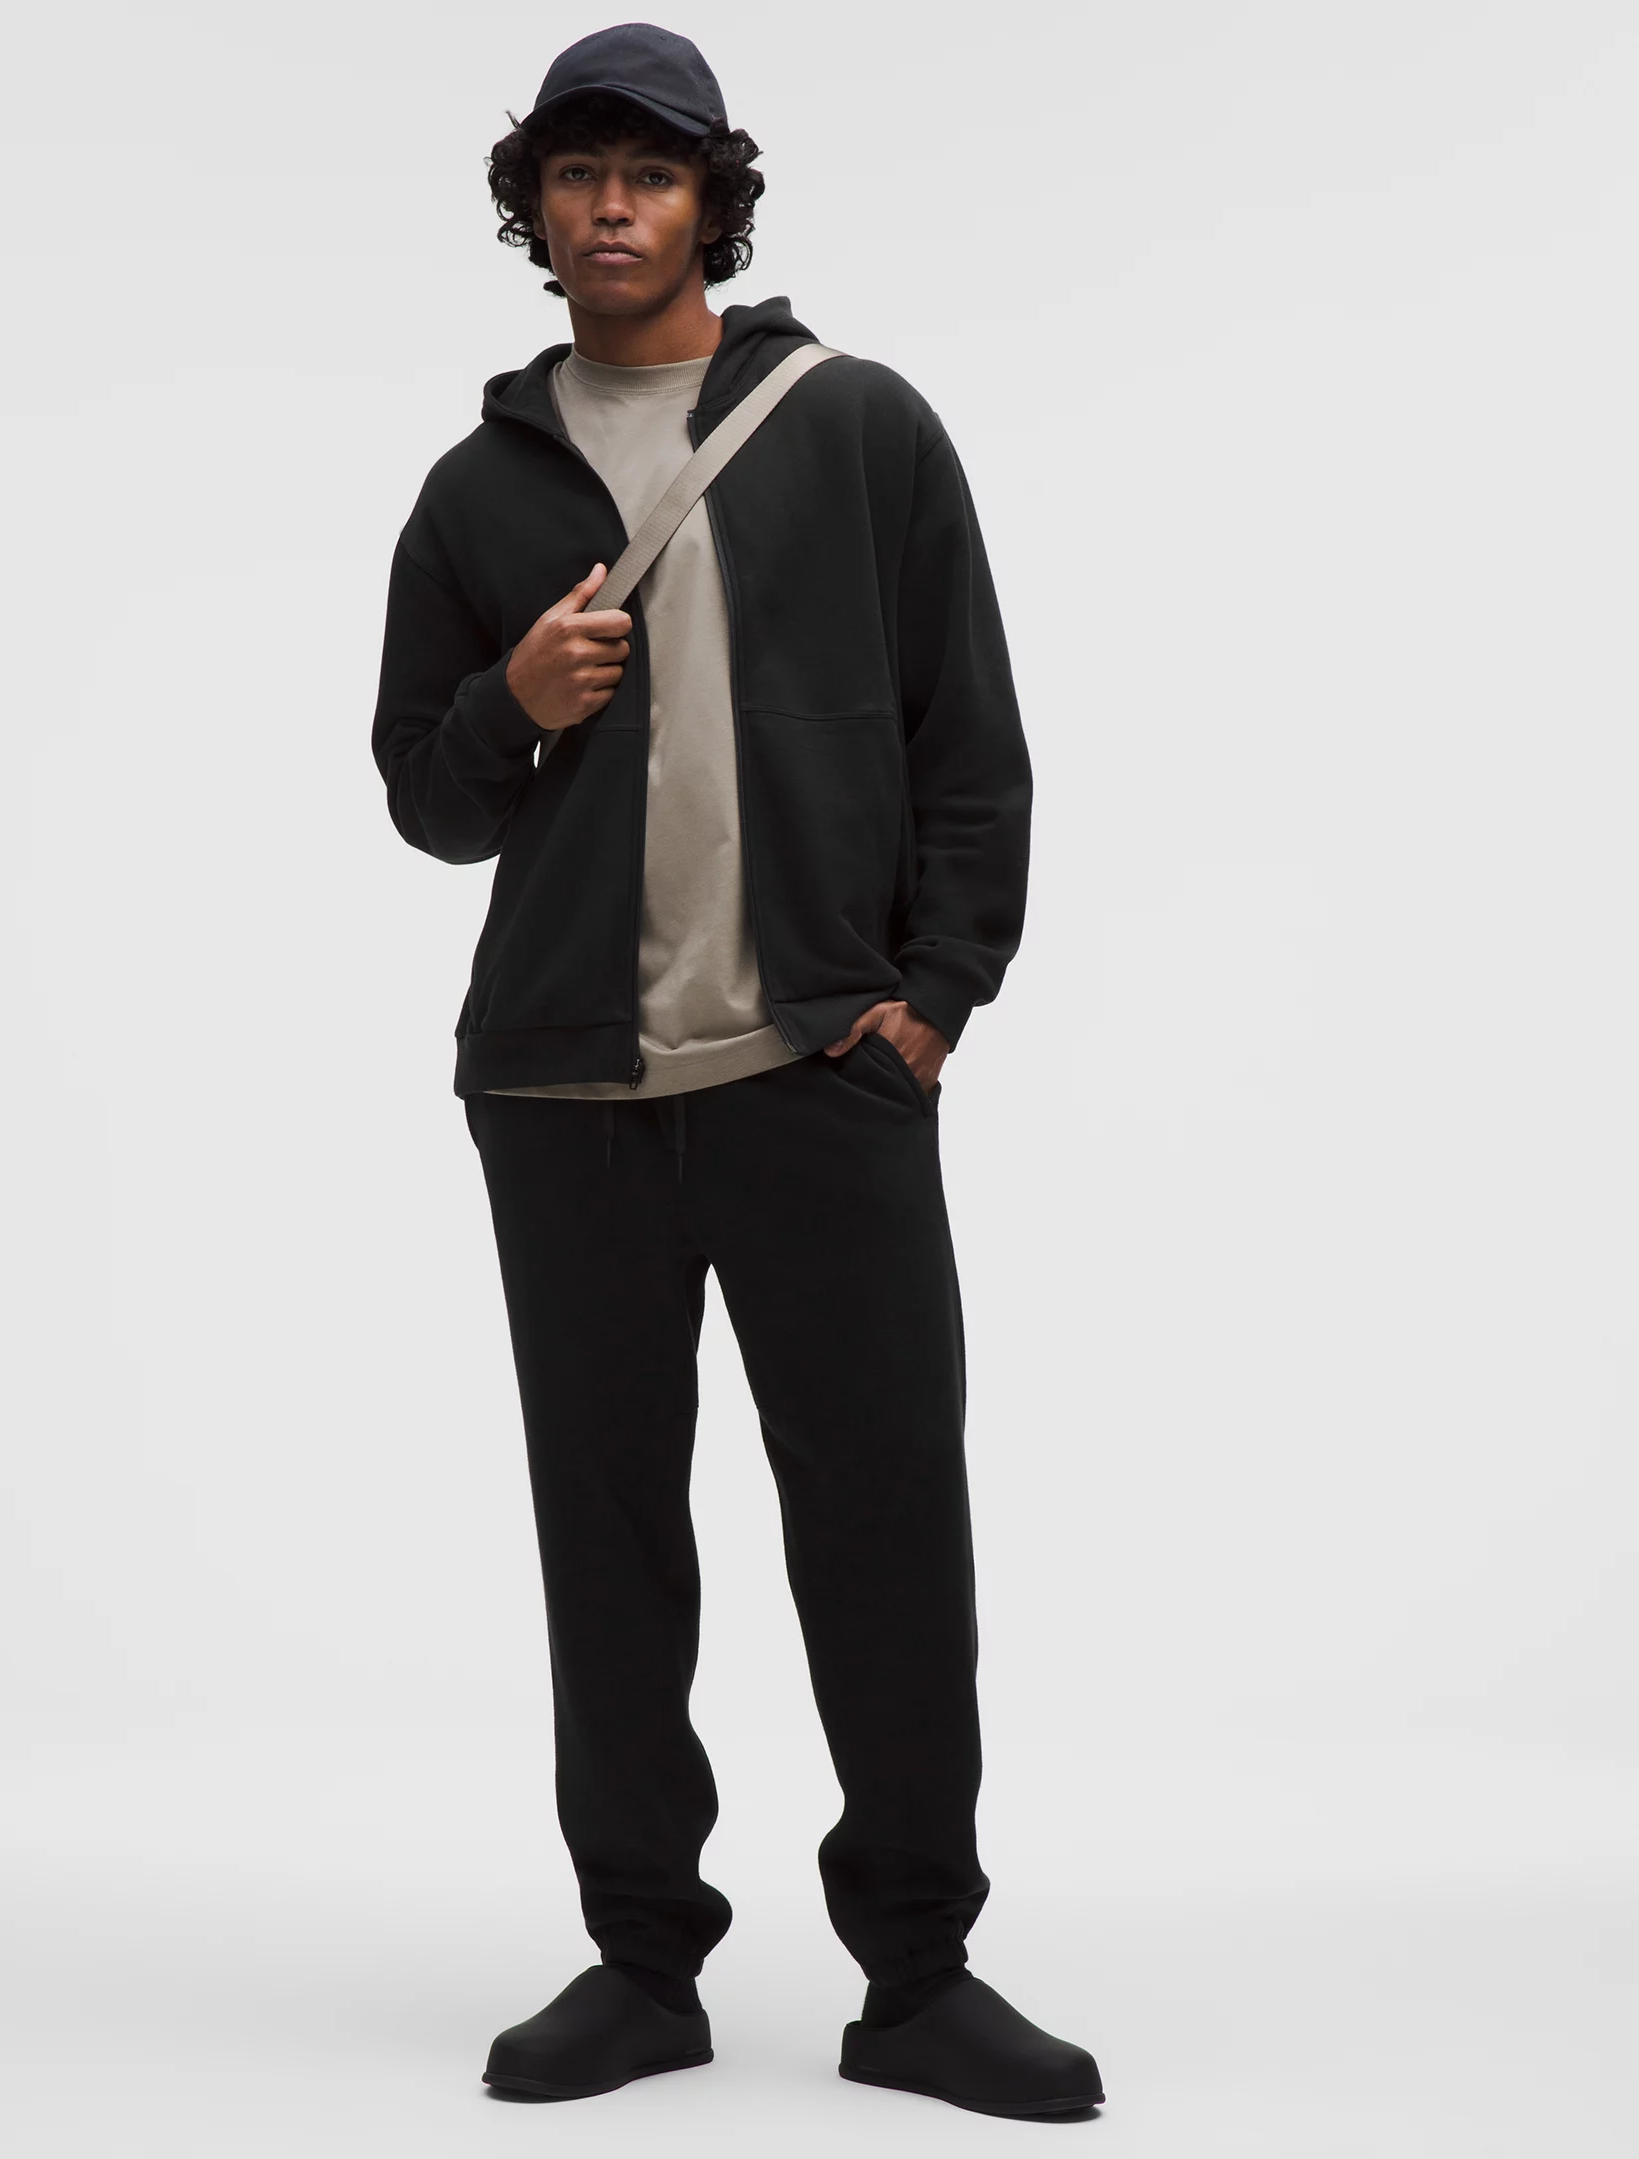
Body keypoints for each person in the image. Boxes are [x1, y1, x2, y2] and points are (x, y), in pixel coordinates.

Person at [369, 22, 1105, 2122]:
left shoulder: (856, 425)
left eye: (652, 175)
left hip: (815, 1065)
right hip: (561, 1090)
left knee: (887, 1522)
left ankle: (919, 1972)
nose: (612, 208)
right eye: (576, 175)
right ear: (532, 209)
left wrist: (937, 992)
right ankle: (641, 1962)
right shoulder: (477, 487)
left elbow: (969, 734)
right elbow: (426, 798)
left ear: (716, 201)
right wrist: (511, 701)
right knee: (607, 1538)